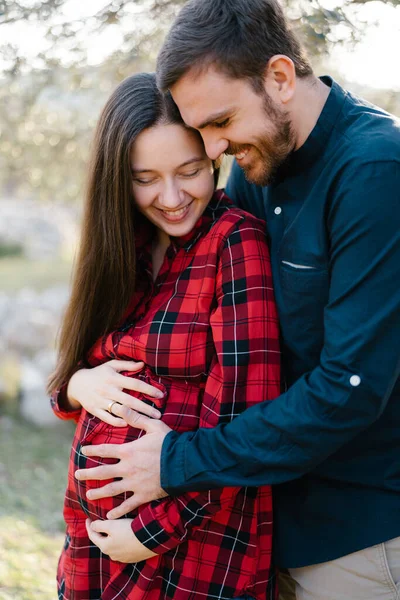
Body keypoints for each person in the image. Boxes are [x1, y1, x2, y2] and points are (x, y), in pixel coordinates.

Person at [74, 1, 400, 599]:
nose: (215, 149)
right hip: (253, 525)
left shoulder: (376, 170)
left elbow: (348, 389)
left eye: (221, 121)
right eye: (204, 131)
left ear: (279, 77)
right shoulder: (258, 163)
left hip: (355, 536)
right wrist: (79, 381)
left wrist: (173, 463)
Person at [49, 71, 281, 599]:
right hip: (95, 550)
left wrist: (150, 532)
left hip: (190, 548)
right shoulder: (119, 249)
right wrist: (78, 385)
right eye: (145, 177)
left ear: (214, 158)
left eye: (190, 170)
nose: (172, 197)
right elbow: (65, 378)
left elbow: (247, 426)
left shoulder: (234, 244)